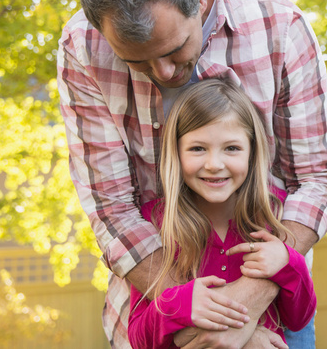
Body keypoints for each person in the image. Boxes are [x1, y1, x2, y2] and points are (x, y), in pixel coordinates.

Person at [57, 0, 327, 348]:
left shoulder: (280, 25)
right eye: (137, 62)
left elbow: (317, 178)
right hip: (155, 306)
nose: (164, 74)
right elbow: (112, 207)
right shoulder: (82, 46)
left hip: (272, 316)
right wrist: (187, 315)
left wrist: (243, 312)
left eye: (175, 50)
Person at [127, 78, 316, 348]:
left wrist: (288, 263)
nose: (214, 164)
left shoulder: (276, 214)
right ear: (176, 152)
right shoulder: (155, 222)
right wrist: (183, 304)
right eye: (197, 148)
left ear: (251, 152)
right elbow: (138, 339)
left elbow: (299, 319)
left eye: (231, 148)